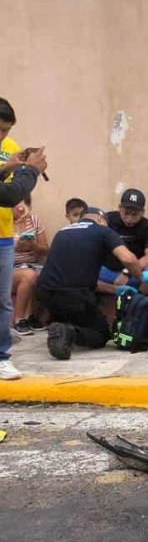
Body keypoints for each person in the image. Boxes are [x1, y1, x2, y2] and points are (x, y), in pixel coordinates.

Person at [37, 207, 143, 360]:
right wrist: (140, 280)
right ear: (101, 219)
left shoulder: (62, 232)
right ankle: (69, 332)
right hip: (75, 296)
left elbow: (79, 277)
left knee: (72, 314)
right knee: (101, 334)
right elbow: (128, 259)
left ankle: (61, 327)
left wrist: (115, 289)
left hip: (45, 293)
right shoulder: (102, 231)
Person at [0, 149, 46, 380]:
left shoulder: (10, 146)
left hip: (4, 240)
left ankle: (1, 357)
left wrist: (8, 168)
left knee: (3, 301)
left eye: (6, 130)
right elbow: (8, 195)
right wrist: (32, 170)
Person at [98, 188, 148, 307]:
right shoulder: (108, 220)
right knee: (84, 275)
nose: (129, 218)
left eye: (135, 214)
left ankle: (139, 308)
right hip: (107, 270)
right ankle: (115, 292)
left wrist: (127, 271)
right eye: (126, 213)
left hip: (136, 271)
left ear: (142, 212)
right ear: (119, 208)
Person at [11, 198, 48, 335]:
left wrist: (33, 246)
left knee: (50, 274)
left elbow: (45, 250)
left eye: (25, 204)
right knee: (29, 275)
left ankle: (36, 318)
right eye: (16, 204)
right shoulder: (3, 222)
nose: (21, 208)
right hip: (9, 268)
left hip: (33, 264)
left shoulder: (34, 220)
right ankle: (19, 320)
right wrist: (14, 247)